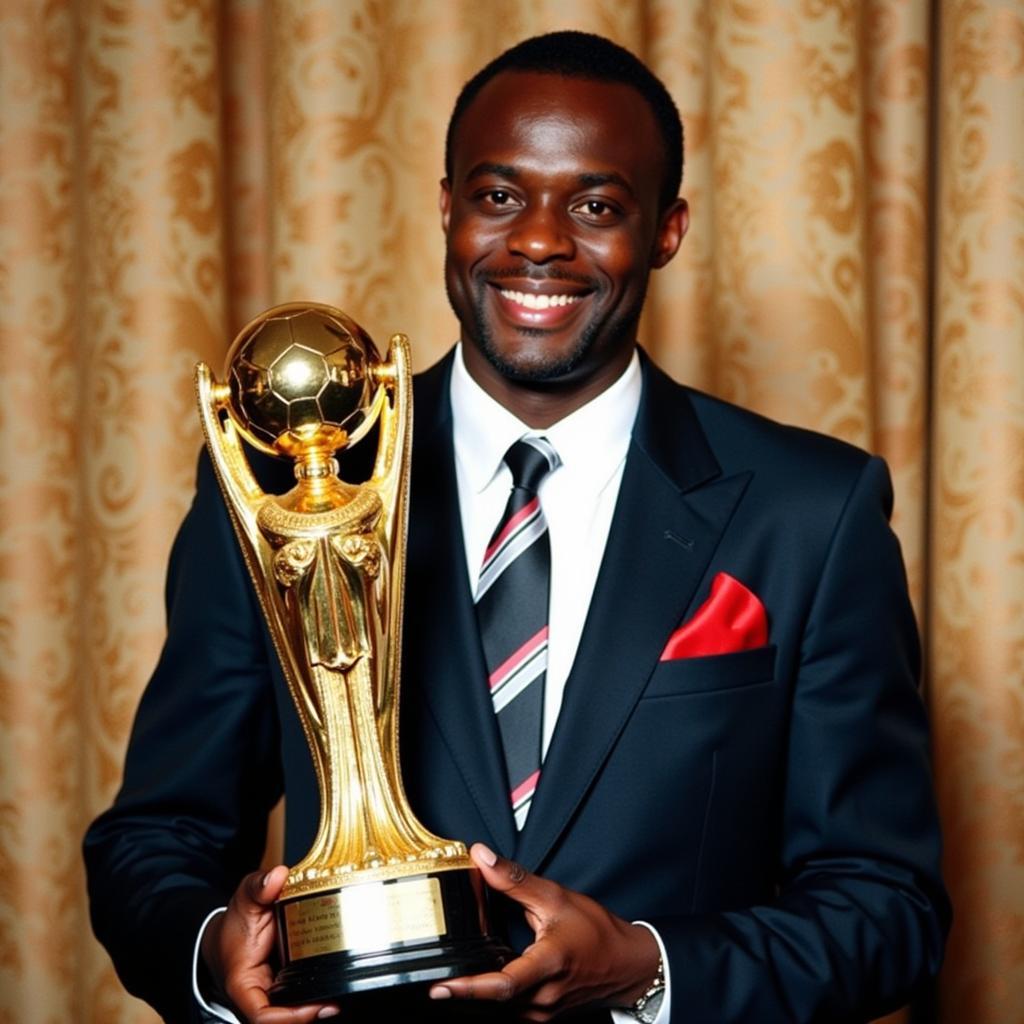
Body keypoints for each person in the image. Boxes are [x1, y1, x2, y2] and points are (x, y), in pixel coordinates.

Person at [84, 30, 950, 1024]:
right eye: (499, 196)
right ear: (446, 207)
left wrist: (644, 965)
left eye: (594, 205)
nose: (538, 240)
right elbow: (154, 838)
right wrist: (211, 951)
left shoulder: (812, 510)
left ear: (665, 230)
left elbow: (890, 907)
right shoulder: (286, 486)